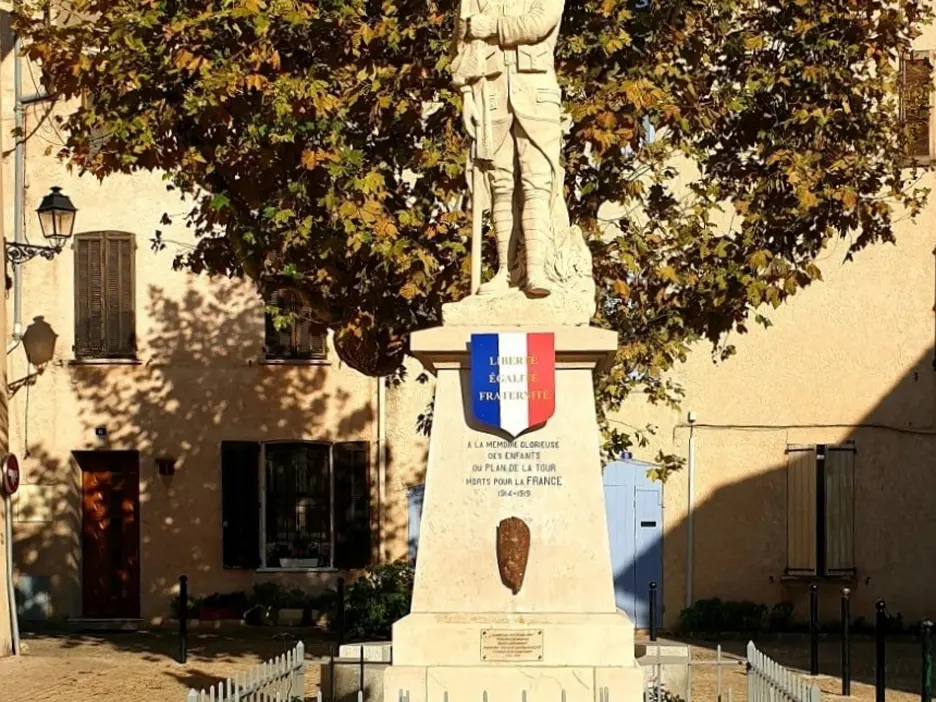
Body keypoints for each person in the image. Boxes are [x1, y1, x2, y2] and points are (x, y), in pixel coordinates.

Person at [452, 0, 567, 298]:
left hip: (536, 93)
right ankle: (505, 270)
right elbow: (462, 46)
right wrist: (466, 95)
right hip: (491, 95)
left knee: (537, 183)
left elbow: (540, 21)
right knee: (499, 184)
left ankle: (536, 271)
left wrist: (492, 26)